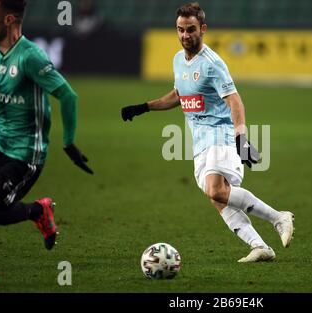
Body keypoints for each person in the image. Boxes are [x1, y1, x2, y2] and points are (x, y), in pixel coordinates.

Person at [121, 2, 294, 262]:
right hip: (199, 141)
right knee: (219, 199)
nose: (185, 36)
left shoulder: (213, 64)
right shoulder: (179, 60)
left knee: (215, 190)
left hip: (220, 135)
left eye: (190, 30)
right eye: (180, 30)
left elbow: (235, 100)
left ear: (202, 29)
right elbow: (180, 94)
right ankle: (260, 247)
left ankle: (278, 218)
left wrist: (241, 137)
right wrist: (144, 107)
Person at [0, 0, 93, 250]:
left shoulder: (30, 56)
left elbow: (68, 96)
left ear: (8, 20)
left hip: (24, 155)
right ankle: (38, 211)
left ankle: (36, 211)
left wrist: (68, 143)